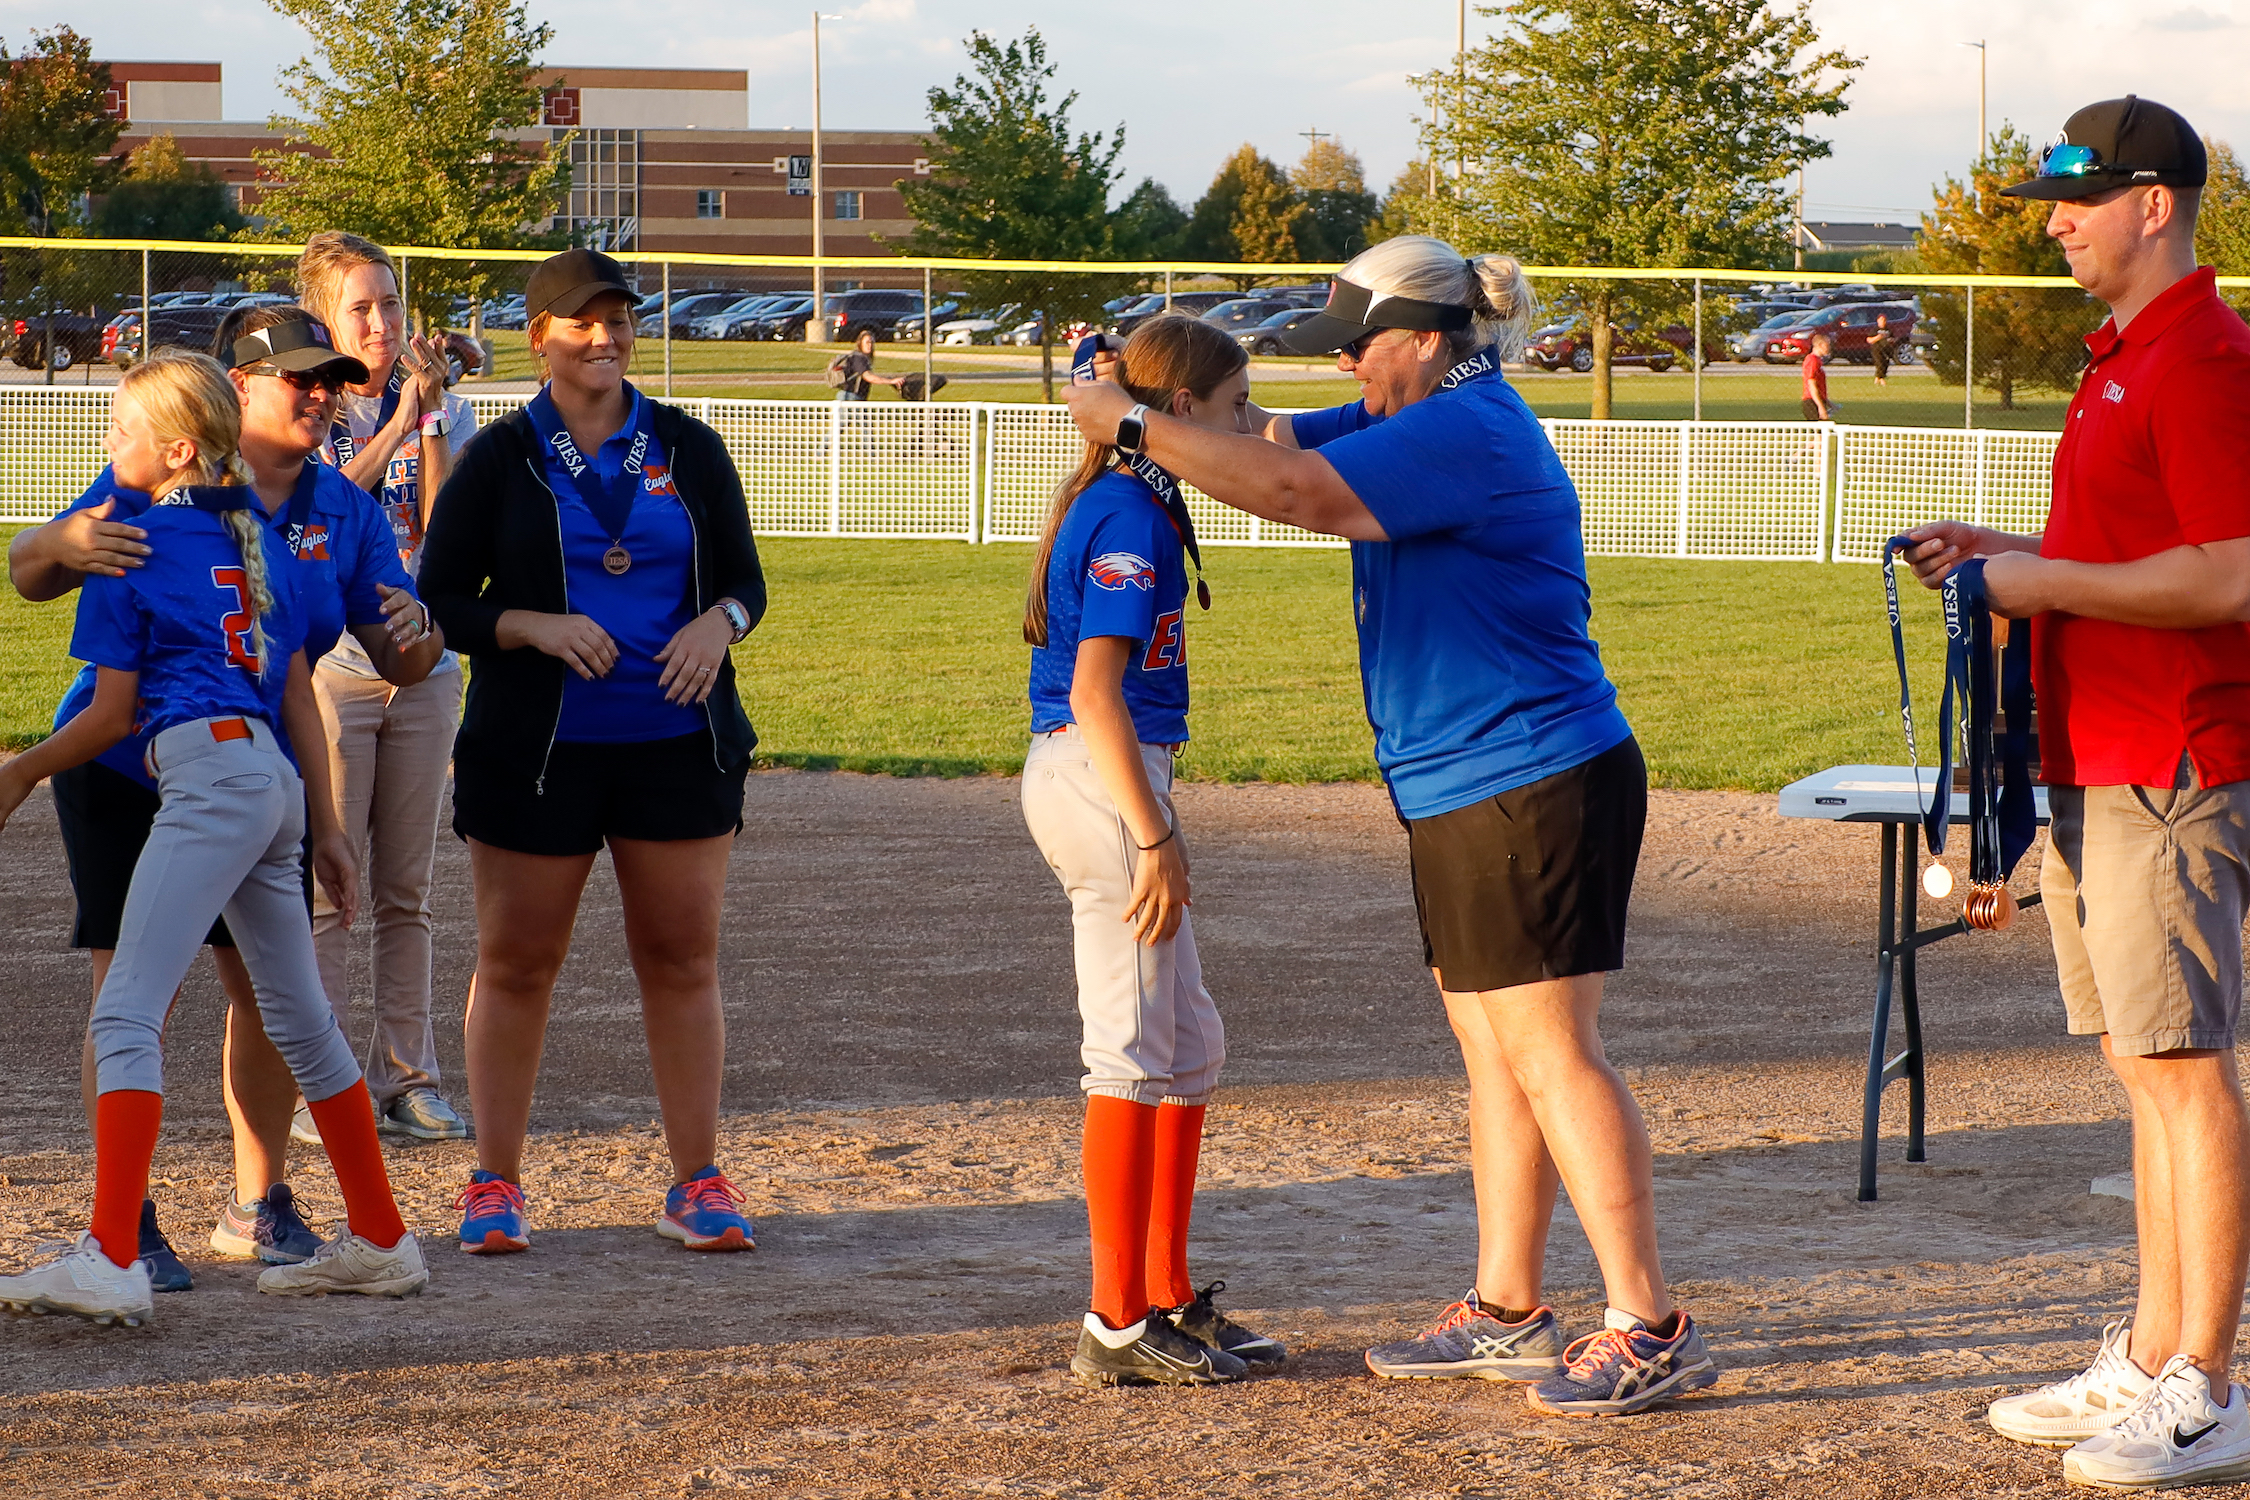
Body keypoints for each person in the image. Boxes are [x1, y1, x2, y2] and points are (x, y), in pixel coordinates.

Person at [1062, 234, 1716, 1418]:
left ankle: (1649, 1324)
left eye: (1358, 347)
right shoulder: (1411, 410)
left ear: (1420, 338)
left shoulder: (1466, 426)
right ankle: (1508, 1310)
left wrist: (1128, 424)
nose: (1345, 368)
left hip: (1532, 774)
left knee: (1552, 1052)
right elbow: (1267, 441)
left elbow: (1292, 493)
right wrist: (1155, 405)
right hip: (1469, 781)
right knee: (1497, 1054)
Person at [1904, 96, 2250, 1491]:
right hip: (2096, 751)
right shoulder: (2126, 357)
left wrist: (2036, 578)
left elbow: (2229, 574)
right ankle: (2154, 1350)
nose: (2053, 224)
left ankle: (2204, 1384)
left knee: (2180, 1070)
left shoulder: (2202, 360)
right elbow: (2133, 552)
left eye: (2078, 199)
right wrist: (2007, 549)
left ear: (2153, 204)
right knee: (2138, 1062)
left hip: (2165, 757)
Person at [5, 308, 440, 1287]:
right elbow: (293, 684)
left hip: (201, 779)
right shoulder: (261, 544)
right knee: (303, 1019)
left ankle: (111, 1255)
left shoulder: (132, 541)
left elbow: (113, 714)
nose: (109, 450)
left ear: (171, 448)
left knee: (126, 1013)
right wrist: (324, 822)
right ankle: (383, 1240)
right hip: (269, 783)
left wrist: (20, 770)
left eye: (120, 433)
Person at [419, 248, 767, 1256]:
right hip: (537, 753)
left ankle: (696, 1181)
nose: (606, 336)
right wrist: (529, 624)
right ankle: (495, 1182)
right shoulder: (500, 458)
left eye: (619, 319)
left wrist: (721, 625)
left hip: (676, 744)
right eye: (583, 321)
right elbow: (442, 600)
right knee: (518, 962)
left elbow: (746, 582)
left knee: (682, 959)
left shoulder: (688, 447)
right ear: (541, 338)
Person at [1022, 316, 1282, 1389]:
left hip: (1111, 770)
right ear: (1178, 412)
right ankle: (1116, 1318)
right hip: (1104, 775)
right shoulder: (1131, 510)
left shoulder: (1138, 491)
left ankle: (1164, 1293)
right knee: (1130, 1049)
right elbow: (1096, 693)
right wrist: (1155, 833)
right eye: (1231, 406)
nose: (1244, 424)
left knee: (1188, 1041)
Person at [291, 230, 478, 1144]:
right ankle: (322, 1086)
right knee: (331, 888)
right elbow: (326, 510)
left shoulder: (444, 408)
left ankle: (408, 1080)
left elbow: (441, 539)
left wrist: (431, 420)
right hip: (335, 670)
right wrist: (400, 421)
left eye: (391, 302)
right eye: (359, 308)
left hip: (424, 669)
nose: (380, 322)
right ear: (324, 321)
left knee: (408, 891)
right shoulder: (308, 411)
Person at [827, 326, 902, 401]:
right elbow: (868, 376)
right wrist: (890, 381)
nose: (870, 345)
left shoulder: (861, 357)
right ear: (860, 343)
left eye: (872, 342)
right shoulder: (859, 358)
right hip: (850, 397)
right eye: (867, 342)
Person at [1801, 331, 1835, 420]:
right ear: (1821, 345)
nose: (1829, 348)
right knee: (1819, 428)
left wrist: (1828, 403)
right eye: (1827, 345)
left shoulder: (1818, 360)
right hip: (1812, 401)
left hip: (1817, 400)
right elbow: (1811, 384)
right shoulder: (1812, 360)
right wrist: (1820, 406)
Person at [1868, 313, 1896, 387]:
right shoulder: (1875, 330)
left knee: (1885, 364)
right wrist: (1878, 337)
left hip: (1886, 349)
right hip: (1877, 349)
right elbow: (1869, 340)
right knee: (1879, 364)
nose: (1883, 322)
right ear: (1878, 321)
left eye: (1884, 320)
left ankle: (1877, 379)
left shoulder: (1888, 330)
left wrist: (1891, 340)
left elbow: (1893, 338)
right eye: (1881, 320)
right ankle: (1882, 380)